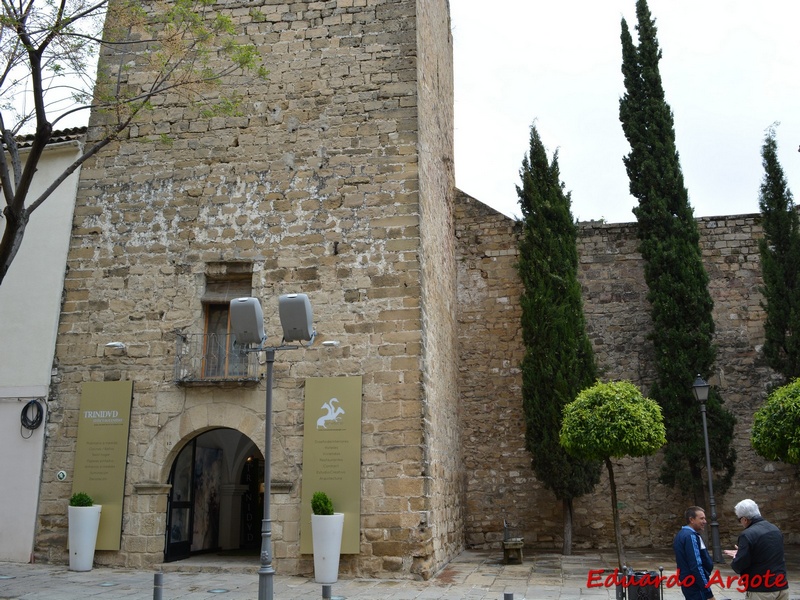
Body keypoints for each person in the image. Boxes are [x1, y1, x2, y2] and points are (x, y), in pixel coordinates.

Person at [723, 499, 789, 599]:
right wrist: (744, 552)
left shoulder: (747, 534)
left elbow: (739, 565)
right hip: (781, 586)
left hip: (761, 589)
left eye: (739, 519)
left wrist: (738, 555)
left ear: (744, 519)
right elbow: (767, 552)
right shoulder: (775, 529)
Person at [674, 506, 716, 600]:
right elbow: (696, 566)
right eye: (701, 518)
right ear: (691, 519)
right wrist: (708, 593)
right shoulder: (690, 536)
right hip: (695, 585)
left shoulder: (681, 534)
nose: (705, 521)